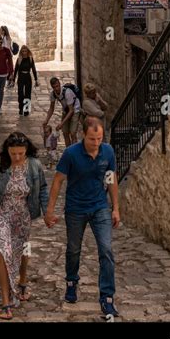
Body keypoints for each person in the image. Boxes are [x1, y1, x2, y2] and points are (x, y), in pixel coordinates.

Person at [44, 116, 121, 318]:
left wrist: (116, 208)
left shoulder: (108, 151)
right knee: (74, 249)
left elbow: (111, 178)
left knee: (106, 249)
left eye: (99, 139)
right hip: (75, 208)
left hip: (100, 207)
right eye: (92, 139)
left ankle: (107, 297)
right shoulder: (71, 154)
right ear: (83, 136)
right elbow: (58, 181)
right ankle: (71, 282)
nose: (96, 143)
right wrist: (50, 211)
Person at [0, 132, 49, 320]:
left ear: (26, 151)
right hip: (1, 215)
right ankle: (5, 301)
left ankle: (23, 281)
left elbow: (42, 188)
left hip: (23, 216)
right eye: (13, 153)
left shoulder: (34, 166)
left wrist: (47, 211)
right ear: (7, 151)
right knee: (4, 253)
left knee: (23, 251)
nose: (17, 157)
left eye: (20, 153)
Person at [44, 77, 81, 147]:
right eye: (54, 87)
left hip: (75, 109)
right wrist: (46, 120)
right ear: (52, 87)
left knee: (73, 132)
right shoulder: (53, 94)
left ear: (59, 84)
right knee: (65, 132)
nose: (56, 89)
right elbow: (51, 108)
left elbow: (71, 110)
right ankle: (68, 151)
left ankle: (75, 151)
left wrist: (61, 123)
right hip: (66, 110)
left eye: (57, 86)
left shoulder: (67, 92)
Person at [13, 45, 38, 116]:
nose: (24, 53)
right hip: (21, 77)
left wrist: (36, 79)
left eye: (25, 51)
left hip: (27, 77)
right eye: (23, 51)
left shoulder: (30, 59)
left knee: (28, 94)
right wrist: (13, 79)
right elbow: (16, 70)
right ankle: (21, 108)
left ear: (27, 52)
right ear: (21, 52)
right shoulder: (19, 59)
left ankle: (26, 110)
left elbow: (33, 69)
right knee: (20, 94)